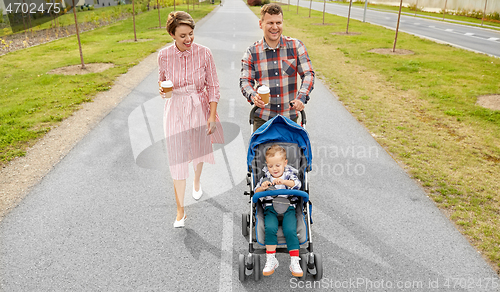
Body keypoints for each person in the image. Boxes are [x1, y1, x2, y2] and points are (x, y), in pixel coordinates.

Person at [158, 11, 224, 228]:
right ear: (172, 35)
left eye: (191, 34)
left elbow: (213, 85)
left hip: (199, 106)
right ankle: (180, 210)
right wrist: (163, 91)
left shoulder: (205, 53)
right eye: (183, 36)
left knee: (198, 150)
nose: (188, 40)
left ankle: (196, 180)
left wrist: (212, 116)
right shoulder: (164, 56)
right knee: (177, 158)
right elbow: (162, 84)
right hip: (174, 107)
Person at [240, 3, 315, 132]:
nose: (275, 27)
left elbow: (308, 74)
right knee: (260, 152)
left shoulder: (296, 46)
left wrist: (301, 97)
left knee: (292, 152)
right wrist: (253, 96)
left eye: (278, 23)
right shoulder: (252, 52)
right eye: (270, 23)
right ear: (260, 24)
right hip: (263, 119)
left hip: (289, 118)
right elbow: (245, 81)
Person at [254, 145, 303, 277]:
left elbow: (298, 185)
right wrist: (263, 187)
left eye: (277, 165)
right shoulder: (266, 177)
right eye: (271, 166)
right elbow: (255, 193)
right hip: (270, 208)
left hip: (289, 207)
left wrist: (285, 182)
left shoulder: (289, 174)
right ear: (267, 165)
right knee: (270, 228)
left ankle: (294, 261)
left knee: (290, 230)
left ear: (285, 163)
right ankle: (271, 259)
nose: (274, 169)